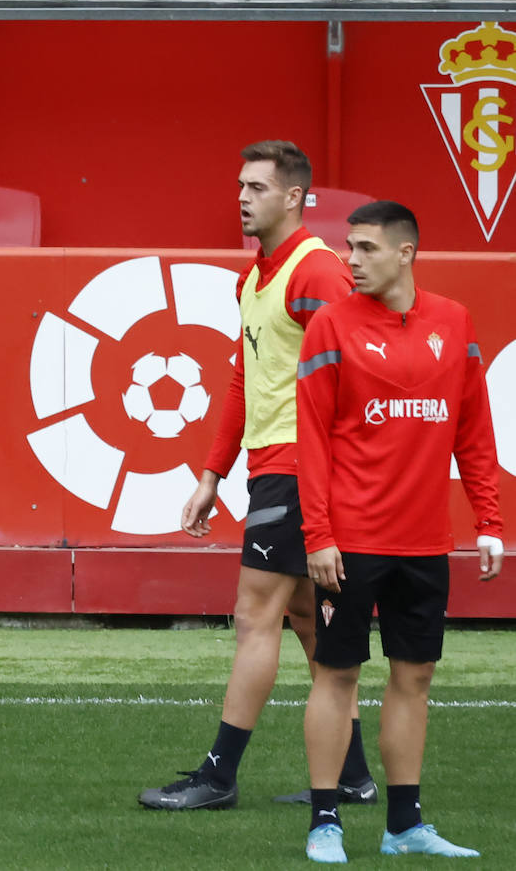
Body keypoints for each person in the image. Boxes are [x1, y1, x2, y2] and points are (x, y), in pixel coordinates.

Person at [141, 140, 375, 810]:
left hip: (300, 469)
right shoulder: (256, 277)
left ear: (295, 197)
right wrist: (212, 473)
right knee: (305, 619)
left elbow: (354, 377)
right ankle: (354, 777)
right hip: (275, 467)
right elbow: (246, 380)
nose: (242, 196)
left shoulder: (316, 273)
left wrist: (329, 475)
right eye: (240, 184)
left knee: (254, 618)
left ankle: (218, 776)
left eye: (257, 187)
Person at [297, 200, 503, 863]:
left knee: (414, 678)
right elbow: (313, 442)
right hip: (350, 541)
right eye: (348, 247)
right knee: (337, 674)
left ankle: (404, 825)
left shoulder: (455, 322)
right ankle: (325, 822)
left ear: (406, 252)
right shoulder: (330, 324)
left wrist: (489, 520)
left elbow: (472, 433)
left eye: (365, 248)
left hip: (424, 544)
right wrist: (319, 534)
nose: (350, 260)